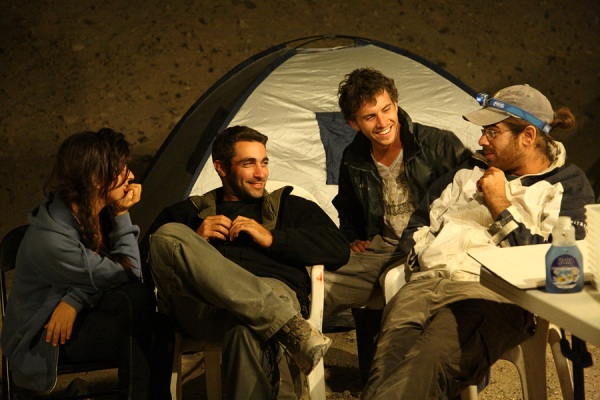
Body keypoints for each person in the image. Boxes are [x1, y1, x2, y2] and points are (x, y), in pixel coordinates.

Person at [361, 84, 596, 399]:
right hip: (425, 285)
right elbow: (419, 222)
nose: (482, 140)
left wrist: (500, 205)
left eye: (492, 132)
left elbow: (555, 264)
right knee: (385, 368)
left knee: (428, 362)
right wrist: (421, 261)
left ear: (528, 136)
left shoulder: (566, 186)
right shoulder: (468, 170)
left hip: (490, 294)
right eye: (484, 131)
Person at [146, 125, 350, 399]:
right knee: (168, 234)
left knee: (245, 328)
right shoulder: (188, 213)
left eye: (264, 162)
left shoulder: (291, 207)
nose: (261, 173)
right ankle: (288, 326)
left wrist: (273, 239)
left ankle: (276, 321)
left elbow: (338, 250)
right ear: (221, 168)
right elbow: (146, 266)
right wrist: (195, 239)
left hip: (274, 292)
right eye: (248, 163)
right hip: (205, 308)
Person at [1, 128, 172, 399]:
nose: (131, 176)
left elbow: (127, 277)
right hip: (45, 336)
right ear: (95, 178)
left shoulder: (95, 213)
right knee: (149, 329)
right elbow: (127, 273)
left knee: (148, 315)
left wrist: (73, 300)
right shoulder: (50, 239)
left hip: (76, 315)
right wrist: (122, 215)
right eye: (121, 169)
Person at [324, 67, 473, 379]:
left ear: (395, 104)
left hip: (433, 247)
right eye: (369, 117)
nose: (382, 123)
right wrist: (353, 236)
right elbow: (347, 206)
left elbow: (472, 197)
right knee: (318, 278)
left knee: (414, 302)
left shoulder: (439, 144)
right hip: (384, 248)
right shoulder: (354, 156)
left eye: (386, 109)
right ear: (354, 123)